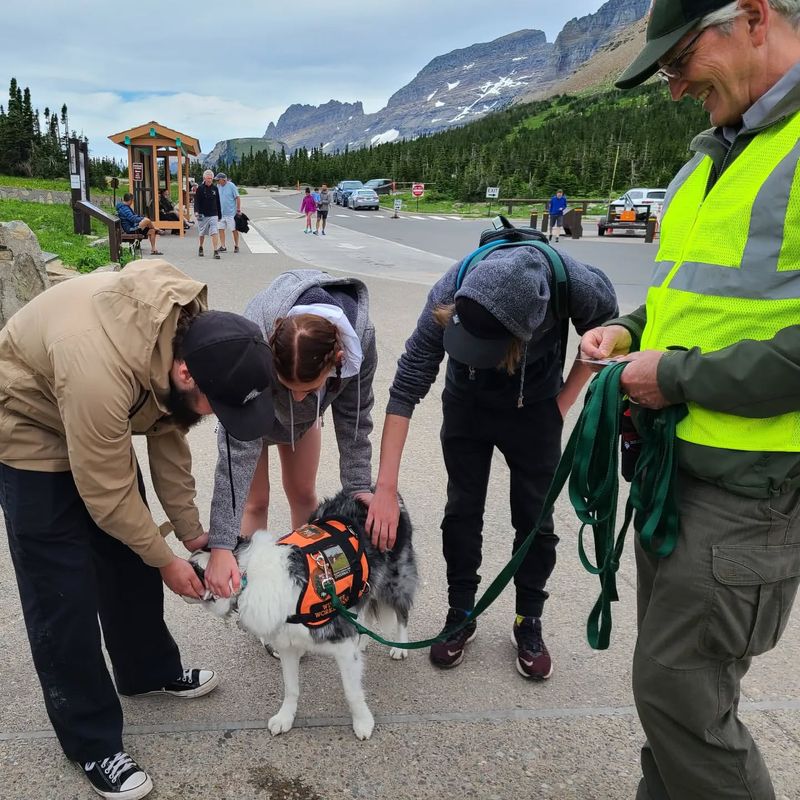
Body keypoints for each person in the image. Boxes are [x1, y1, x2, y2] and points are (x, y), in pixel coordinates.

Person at [579, 1, 800, 797]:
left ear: (750, 16)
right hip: (680, 473)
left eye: (679, 62)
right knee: (676, 700)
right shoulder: (712, 159)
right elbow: (693, 302)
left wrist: (673, 377)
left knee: (681, 696)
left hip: (747, 484)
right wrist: (629, 332)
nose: (674, 88)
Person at [0, 260, 276, 799]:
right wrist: (168, 560)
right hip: (27, 425)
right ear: (186, 375)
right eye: (214, 406)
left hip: (91, 417)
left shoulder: (187, 336)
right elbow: (105, 494)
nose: (215, 418)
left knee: (129, 561)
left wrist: (193, 534)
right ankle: (91, 740)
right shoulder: (99, 370)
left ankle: (146, 670)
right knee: (63, 595)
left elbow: (169, 430)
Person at [366, 245, 617, 678]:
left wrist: (563, 401)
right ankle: (461, 611)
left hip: (536, 405)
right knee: (462, 510)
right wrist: (385, 488)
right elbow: (406, 385)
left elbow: (607, 332)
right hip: (467, 405)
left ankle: (529, 618)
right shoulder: (450, 287)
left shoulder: (575, 284)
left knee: (535, 517)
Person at [202, 269, 377, 598]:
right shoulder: (255, 333)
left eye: (309, 388)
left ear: (337, 360)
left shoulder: (361, 339)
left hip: (306, 422)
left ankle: (304, 586)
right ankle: (256, 594)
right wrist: (222, 544)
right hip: (254, 408)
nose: (298, 396)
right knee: (255, 502)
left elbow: (355, 416)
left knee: (303, 494)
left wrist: (358, 488)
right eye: (290, 387)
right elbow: (234, 458)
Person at [194, 169, 222, 259]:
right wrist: (196, 211)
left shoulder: (215, 188)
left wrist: (219, 215)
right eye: (208, 178)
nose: (209, 180)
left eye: (211, 178)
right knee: (202, 232)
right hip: (202, 214)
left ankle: (215, 251)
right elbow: (196, 201)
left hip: (213, 214)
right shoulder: (200, 188)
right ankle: (201, 247)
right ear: (204, 178)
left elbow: (218, 202)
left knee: (214, 231)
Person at [215, 172, 241, 253]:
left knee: (234, 230)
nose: (217, 181)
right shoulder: (218, 186)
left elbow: (237, 197)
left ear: (224, 179)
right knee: (220, 229)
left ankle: (236, 245)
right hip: (221, 213)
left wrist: (238, 209)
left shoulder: (231, 185)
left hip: (231, 213)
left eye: (218, 180)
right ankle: (223, 246)